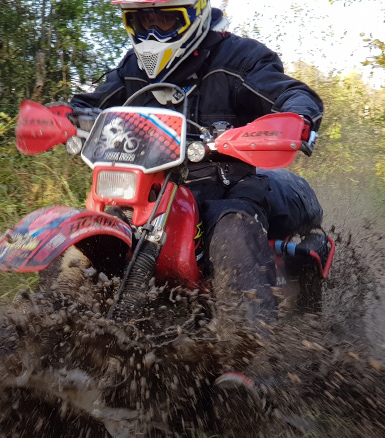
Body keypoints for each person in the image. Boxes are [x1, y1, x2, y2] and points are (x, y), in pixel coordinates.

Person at [68, 0, 325, 328]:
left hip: (225, 186)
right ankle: (44, 333)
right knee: (91, 225)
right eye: (142, 21)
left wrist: (297, 119)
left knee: (232, 232)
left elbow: (291, 93)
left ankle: (252, 358)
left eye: (165, 20)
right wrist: (63, 116)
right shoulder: (132, 67)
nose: (152, 34)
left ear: (195, 14)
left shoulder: (240, 58)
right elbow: (90, 104)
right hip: (150, 189)